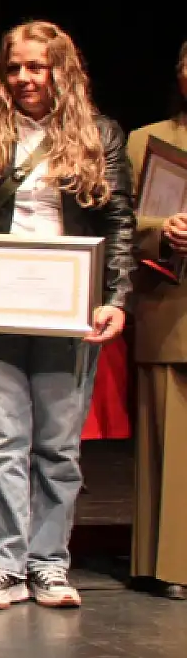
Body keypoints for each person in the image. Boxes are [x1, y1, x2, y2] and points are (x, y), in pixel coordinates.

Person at [0, 21, 132, 609]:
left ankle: (48, 563)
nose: (24, 78)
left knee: (57, 445)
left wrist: (115, 298)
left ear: (62, 71)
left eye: (37, 67)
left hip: (69, 310)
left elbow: (118, 222)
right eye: (14, 67)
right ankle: (0, 565)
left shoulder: (100, 134)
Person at [128, 39, 187, 601]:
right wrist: (162, 230)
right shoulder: (148, 140)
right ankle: (169, 562)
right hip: (170, 305)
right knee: (170, 441)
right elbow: (126, 221)